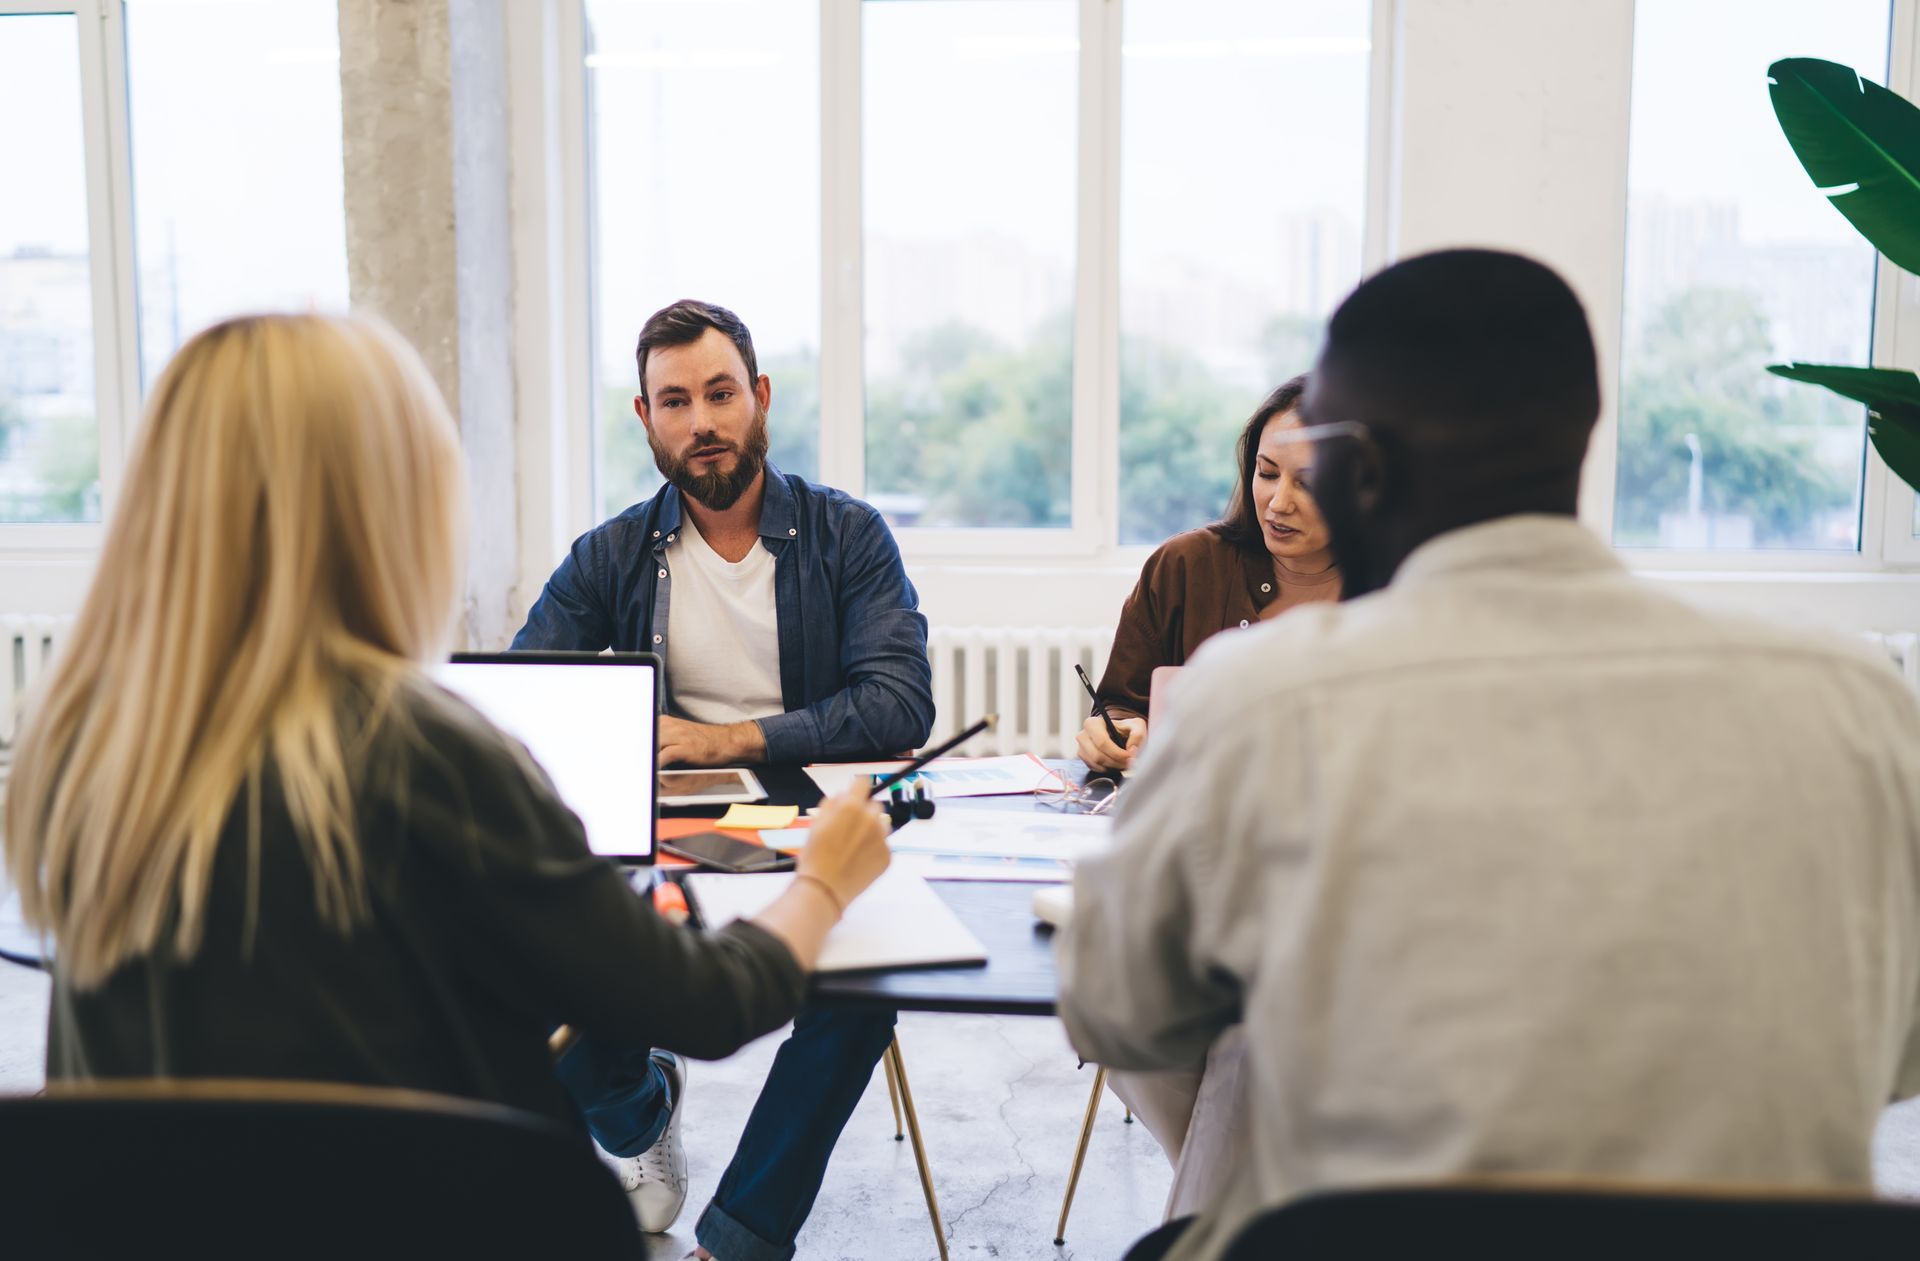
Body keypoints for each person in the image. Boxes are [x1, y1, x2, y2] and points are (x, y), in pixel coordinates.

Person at [1058, 249, 1920, 1261]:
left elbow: (1117, 1011)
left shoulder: (1260, 700)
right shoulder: (1857, 701)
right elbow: (1896, 1056)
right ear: (1582, 436)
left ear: (1359, 469)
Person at [2, 315, 893, 1190]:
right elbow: (702, 1004)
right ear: (383, 500)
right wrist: (825, 883)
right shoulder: (426, 752)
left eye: (719, 393)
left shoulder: (80, 744)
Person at [513, 299, 932, 1261]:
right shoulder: (609, 553)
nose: (701, 420)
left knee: (863, 992)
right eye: (676, 401)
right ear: (647, 419)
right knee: (540, 954)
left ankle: (737, 1241)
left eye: (719, 393)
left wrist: (722, 739)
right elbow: (530, 699)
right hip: (660, 837)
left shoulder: (848, 536)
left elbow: (901, 702)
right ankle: (638, 1112)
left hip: (810, 830)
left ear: (759, 399)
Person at [1076, 376, 1340, 773]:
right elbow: (1123, 705)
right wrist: (1116, 733)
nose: (1279, 503)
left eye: (1309, 484)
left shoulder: (1398, 588)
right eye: (1267, 473)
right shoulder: (1186, 566)